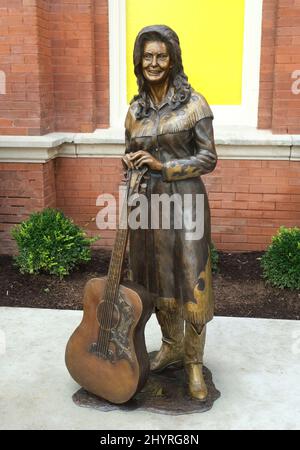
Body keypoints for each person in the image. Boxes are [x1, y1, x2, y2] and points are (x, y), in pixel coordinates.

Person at [122, 25, 217, 402]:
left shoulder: (194, 104)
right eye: (148, 56)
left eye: (161, 56)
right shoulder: (134, 111)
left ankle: (194, 363)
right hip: (146, 207)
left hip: (187, 204)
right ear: (139, 61)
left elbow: (209, 158)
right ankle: (171, 345)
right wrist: (130, 163)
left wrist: (164, 167)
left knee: (191, 282)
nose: (154, 63)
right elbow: (130, 157)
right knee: (154, 279)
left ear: (172, 59)